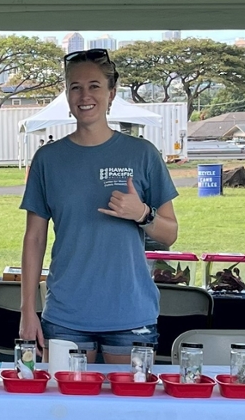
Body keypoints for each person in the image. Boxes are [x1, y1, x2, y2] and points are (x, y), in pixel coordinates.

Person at [19, 49, 179, 364]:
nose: (84, 95)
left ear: (111, 93)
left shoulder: (142, 154)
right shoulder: (48, 160)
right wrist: (27, 310)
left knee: (129, 410)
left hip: (131, 314)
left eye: (94, 85)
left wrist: (142, 214)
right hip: (66, 314)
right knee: (64, 410)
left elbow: (170, 233)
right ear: (66, 94)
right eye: (75, 87)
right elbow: (34, 238)